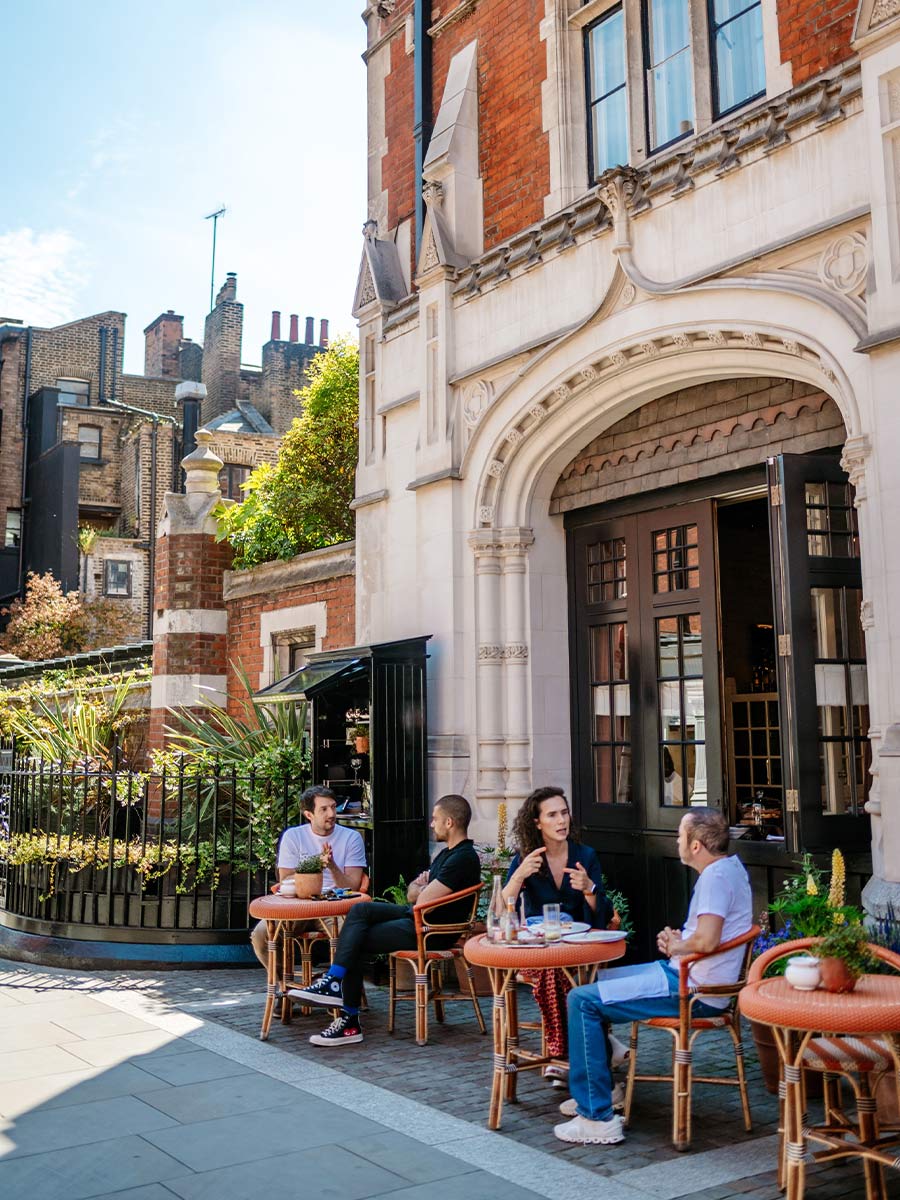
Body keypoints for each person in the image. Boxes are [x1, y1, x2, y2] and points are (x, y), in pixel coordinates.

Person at [553, 807, 752, 1146]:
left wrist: (678, 946)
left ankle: (597, 1117)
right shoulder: (730, 869)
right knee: (597, 983)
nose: (676, 840)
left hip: (693, 990)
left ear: (696, 846)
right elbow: (706, 937)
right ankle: (600, 1082)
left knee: (580, 1000)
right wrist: (679, 942)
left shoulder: (715, 878)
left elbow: (705, 940)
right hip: (688, 978)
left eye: (680, 835)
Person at [292, 793, 480, 1046]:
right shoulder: (447, 855)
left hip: (432, 930)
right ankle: (335, 985)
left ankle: (347, 1018)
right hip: (418, 919)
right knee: (360, 910)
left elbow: (421, 900)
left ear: (449, 822)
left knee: (355, 939)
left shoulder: (463, 858)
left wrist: (420, 891)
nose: (431, 824)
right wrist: (420, 890)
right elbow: (414, 893)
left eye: (435, 819)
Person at [503, 786, 614, 1071]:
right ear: (537, 822)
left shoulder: (584, 856)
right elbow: (504, 907)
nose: (561, 821)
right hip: (538, 952)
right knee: (553, 971)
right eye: (552, 815)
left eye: (564, 813)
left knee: (559, 972)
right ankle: (579, 1051)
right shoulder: (527, 858)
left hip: (578, 950)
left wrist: (589, 889)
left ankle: (561, 1055)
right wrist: (518, 876)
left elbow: (602, 916)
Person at [250, 785, 367, 971]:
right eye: (324, 809)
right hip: (298, 906)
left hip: (333, 906)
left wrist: (332, 866)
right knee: (261, 934)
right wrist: (316, 864)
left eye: (333, 807)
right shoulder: (293, 836)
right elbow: (286, 879)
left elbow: (353, 885)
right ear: (309, 815)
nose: (331, 813)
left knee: (351, 935)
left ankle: (338, 987)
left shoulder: (351, 838)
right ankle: (283, 987)